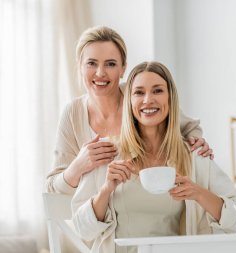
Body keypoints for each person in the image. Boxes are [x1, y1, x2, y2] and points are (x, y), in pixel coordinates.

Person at [71, 61, 236, 253]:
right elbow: (81, 230)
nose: (147, 100)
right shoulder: (106, 154)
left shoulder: (194, 156)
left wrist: (198, 193)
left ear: (170, 98)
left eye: (157, 91)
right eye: (139, 92)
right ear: (129, 101)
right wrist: (105, 191)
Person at [46, 26, 213, 195]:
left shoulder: (139, 97)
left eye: (110, 64)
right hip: (96, 216)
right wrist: (78, 166)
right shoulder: (72, 113)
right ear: (80, 67)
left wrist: (196, 142)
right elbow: (53, 188)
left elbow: (190, 127)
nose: (100, 73)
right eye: (91, 63)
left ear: (123, 69)